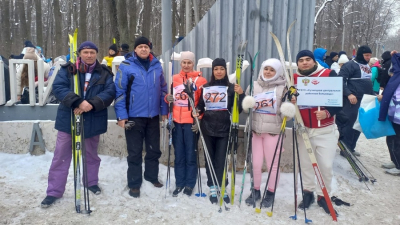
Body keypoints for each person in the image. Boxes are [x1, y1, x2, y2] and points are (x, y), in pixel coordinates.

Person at [41, 41, 116, 208]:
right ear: (80, 53)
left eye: (92, 52)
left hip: (93, 118)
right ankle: (54, 191)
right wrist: (77, 102)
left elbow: (110, 92)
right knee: (61, 155)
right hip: (69, 118)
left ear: (96, 53)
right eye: (86, 52)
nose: (89, 55)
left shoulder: (104, 72)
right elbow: (59, 87)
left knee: (91, 154)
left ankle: (91, 182)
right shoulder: (68, 69)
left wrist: (89, 104)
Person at [114, 36, 168, 198]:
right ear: (135, 49)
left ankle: (151, 176)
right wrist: (121, 116)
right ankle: (134, 183)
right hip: (133, 116)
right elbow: (120, 92)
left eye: (146, 46)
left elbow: (163, 88)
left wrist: (164, 110)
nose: (143, 49)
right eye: (140, 47)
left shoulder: (156, 65)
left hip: (153, 116)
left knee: (153, 149)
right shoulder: (127, 66)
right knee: (135, 151)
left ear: (150, 49)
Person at [292, 50, 342, 216]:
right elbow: (287, 98)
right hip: (304, 130)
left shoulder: (328, 74)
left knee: (325, 166)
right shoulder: (293, 79)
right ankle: (308, 192)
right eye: (301, 60)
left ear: (314, 61)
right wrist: (290, 98)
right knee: (306, 165)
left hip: (325, 130)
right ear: (297, 63)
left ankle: (323, 196)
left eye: (308, 59)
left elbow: (339, 97)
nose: (304, 63)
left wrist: (328, 112)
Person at [196, 58, 245, 204]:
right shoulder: (206, 87)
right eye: (216, 69)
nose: (219, 71)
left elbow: (239, 109)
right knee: (210, 158)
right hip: (208, 127)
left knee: (222, 159)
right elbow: (200, 106)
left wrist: (241, 94)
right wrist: (197, 112)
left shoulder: (231, 88)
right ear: (213, 71)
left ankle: (222, 186)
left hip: (225, 128)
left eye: (221, 69)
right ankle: (212, 187)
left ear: (225, 71)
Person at [242, 58, 287, 207]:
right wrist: (247, 105)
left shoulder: (283, 88)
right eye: (266, 69)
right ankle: (255, 191)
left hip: (273, 132)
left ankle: (270, 193)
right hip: (256, 131)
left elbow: (284, 114)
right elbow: (247, 108)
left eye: (272, 70)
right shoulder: (254, 85)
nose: (268, 72)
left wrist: (288, 109)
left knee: (272, 164)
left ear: (278, 72)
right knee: (255, 163)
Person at [165, 51, 207, 197]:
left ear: (193, 63)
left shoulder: (200, 80)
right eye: (184, 62)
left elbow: (203, 103)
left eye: (189, 62)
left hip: (190, 122)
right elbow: (169, 96)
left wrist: (199, 119)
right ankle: (179, 182)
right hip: (176, 121)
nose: (186, 65)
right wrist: (167, 98)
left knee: (190, 154)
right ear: (180, 63)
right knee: (179, 154)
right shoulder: (175, 78)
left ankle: (190, 183)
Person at [337, 46, 374, 156]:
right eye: (366, 55)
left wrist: (374, 95)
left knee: (359, 124)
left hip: (365, 99)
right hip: (352, 100)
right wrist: (349, 94)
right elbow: (340, 81)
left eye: (370, 56)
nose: (368, 58)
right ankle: (345, 149)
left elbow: (367, 82)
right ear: (360, 54)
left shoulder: (367, 66)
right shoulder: (350, 65)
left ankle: (351, 147)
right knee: (349, 124)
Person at [379, 51, 400, 175]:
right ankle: (395, 160)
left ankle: (398, 165)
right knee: (391, 138)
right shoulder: (396, 76)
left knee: (395, 140)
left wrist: (387, 98)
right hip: (394, 114)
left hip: (398, 115)